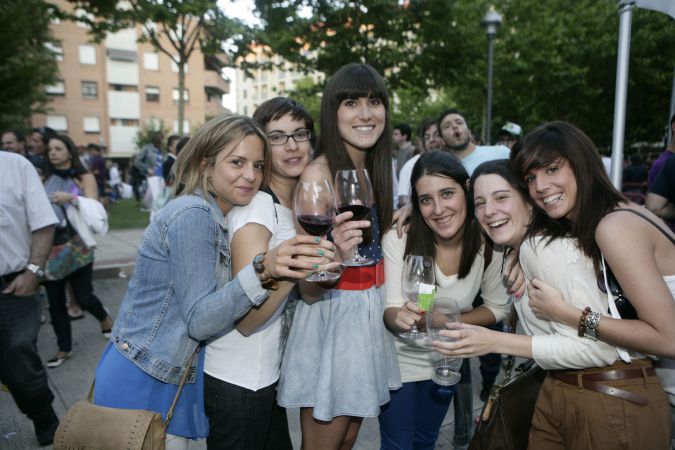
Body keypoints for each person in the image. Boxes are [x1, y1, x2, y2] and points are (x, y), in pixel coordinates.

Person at [93, 115, 336, 450]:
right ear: (206, 165)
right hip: (144, 378)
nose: (251, 176)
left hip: (161, 373)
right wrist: (264, 269)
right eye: (237, 162)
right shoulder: (194, 215)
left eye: (258, 165)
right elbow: (200, 320)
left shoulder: (213, 214)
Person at [439, 122, 674, 448]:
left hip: (615, 392)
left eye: (551, 170)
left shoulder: (610, 227)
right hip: (590, 390)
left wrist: (566, 315)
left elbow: (662, 339)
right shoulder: (568, 233)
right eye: (532, 178)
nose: (541, 186)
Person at [277, 63, 401, 450]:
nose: (365, 114)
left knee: (347, 438)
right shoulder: (319, 175)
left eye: (374, 102)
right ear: (333, 113)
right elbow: (309, 289)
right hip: (333, 317)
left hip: (368, 311)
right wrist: (334, 258)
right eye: (351, 103)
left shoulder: (378, 167)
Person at [203, 98, 317, 449]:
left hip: (262, 377)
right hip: (238, 378)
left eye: (300, 133)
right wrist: (296, 266)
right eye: (278, 137)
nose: (293, 145)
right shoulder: (258, 205)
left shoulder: (288, 206)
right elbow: (247, 320)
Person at [380, 151, 511, 450]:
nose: (438, 209)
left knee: (425, 441)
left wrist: (446, 320)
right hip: (398, 361)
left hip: (445, 363)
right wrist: (398, 318)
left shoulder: (489, 243)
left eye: (447, 193)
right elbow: (391, 310)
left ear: (467, 190)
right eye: (426, 199)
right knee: (397, 445)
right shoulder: (400, 237)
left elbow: (497, 307)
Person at [0, 151, 60, 446]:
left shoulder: (14, 166)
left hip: (12, 288)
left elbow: (43, 223)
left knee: (20, 366)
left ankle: (43, 416)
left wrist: (33, 271)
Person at [41, 134, 114, 368]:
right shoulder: (44, 177)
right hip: (49, 247)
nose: (53, 152)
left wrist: (72, 198)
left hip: (77, 244)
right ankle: (64, 348)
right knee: (55, 302)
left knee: (83, 296)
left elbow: (94, 206)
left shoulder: (83, 176)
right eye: (50, 149)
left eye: (58, 148)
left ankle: (104, 318)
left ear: (69, 152)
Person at [438, 109, 510, 176]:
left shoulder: (502, 153)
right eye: (447, 126)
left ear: (469, 132)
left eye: (459, 122)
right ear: (442, 141)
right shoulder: (442, 171)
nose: (454, 126)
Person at [397, 118, 443, 206]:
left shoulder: (452, 160)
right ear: (422, 142)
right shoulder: (411, 166)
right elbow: (403, 200)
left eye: (437, 135)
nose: (432, 140)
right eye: (427, 137)